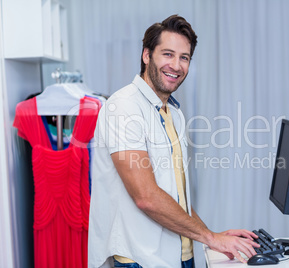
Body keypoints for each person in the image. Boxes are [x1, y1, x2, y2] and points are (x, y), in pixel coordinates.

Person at [88, 15, 259, 268]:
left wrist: (213, 237)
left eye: (184, 57)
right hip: (140, 260)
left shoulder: (173, 113)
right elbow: (146, 196)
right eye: (168, 54)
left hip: (178, 256)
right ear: (147, 55)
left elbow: (175, 199)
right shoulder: (123, 107)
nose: (176, 65)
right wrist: (211, 238)